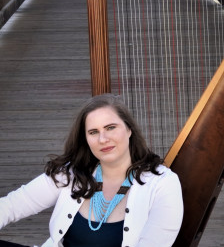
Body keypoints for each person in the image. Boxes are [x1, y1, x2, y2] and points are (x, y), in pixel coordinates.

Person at [0, 94, 183, 247]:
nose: (103, 139)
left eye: (110, 128)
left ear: (129, 130)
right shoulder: (71, 173)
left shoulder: (162, 183)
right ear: (86, 139)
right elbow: (12, 205)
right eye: (93, 132)